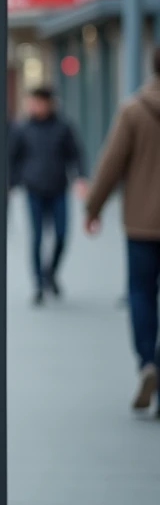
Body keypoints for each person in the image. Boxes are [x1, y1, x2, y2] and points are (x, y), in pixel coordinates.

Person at [83, 47, 160, 415]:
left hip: (143, 224)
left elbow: (112, 163)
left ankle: (148, 362)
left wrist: (92, 208)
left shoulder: (134, 109)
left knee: (142, 294)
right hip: (142, 225)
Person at [8, 85, 87, 304]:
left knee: (61, 235)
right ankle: (38, 285)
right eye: (32, 102)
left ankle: (50, 272)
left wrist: (80, 177)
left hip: (58, 189)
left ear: (49, 103)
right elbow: (12, 158)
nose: (35, 106)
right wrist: (9, 184)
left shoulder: (63, 127)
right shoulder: (22, 128)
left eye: (39, 102)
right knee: (37, 238)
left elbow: (76, 153)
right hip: (33, 189)